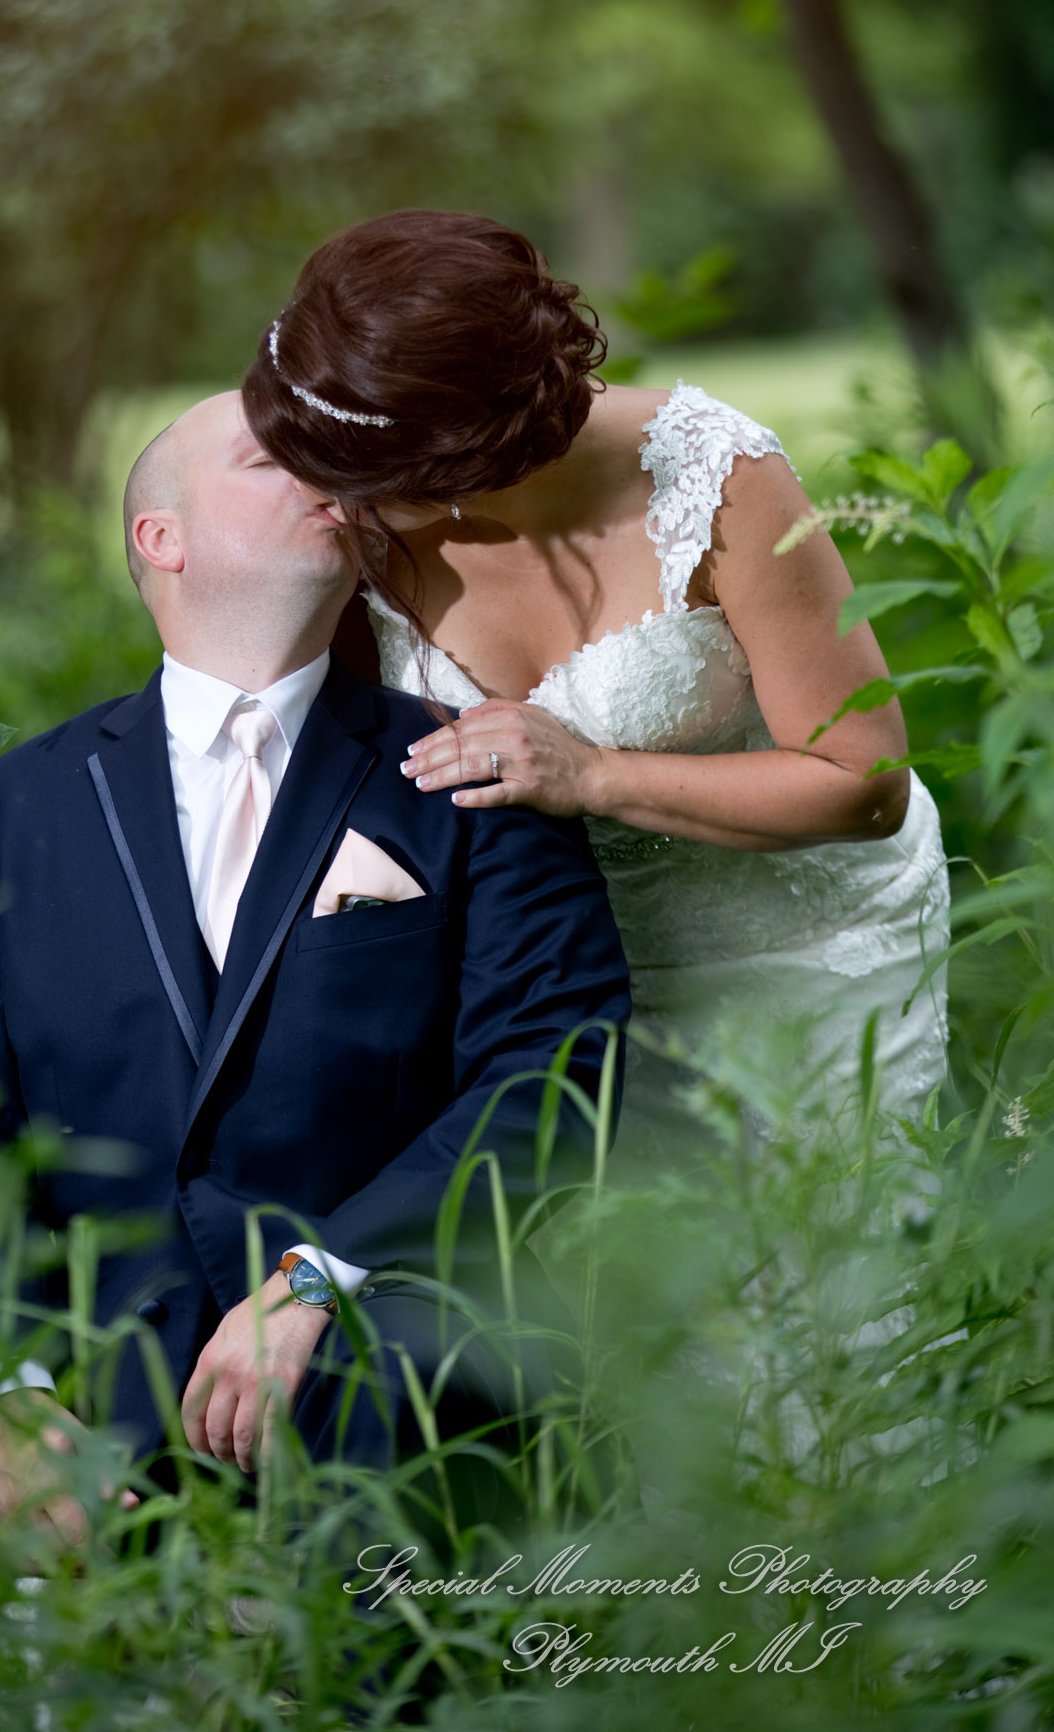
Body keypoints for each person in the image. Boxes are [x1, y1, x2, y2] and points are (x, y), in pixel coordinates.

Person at [0, 390, 630, 1542]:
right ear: (163, 538)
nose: (324, 473)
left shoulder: (473, 763)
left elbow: (556, 1070)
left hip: (388, 1385)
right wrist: (3, 1395)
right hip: (99, 1406)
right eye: (269, 457)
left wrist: (315, 1278)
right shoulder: (17, 805)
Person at [241, 209, 950, 1163]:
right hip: (551, 1000)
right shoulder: (357, 531)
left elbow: (863, 781)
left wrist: (594, 776)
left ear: (459, 467)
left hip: (811, 964)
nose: (318, 499)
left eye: (350, 478)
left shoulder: (717, 476)